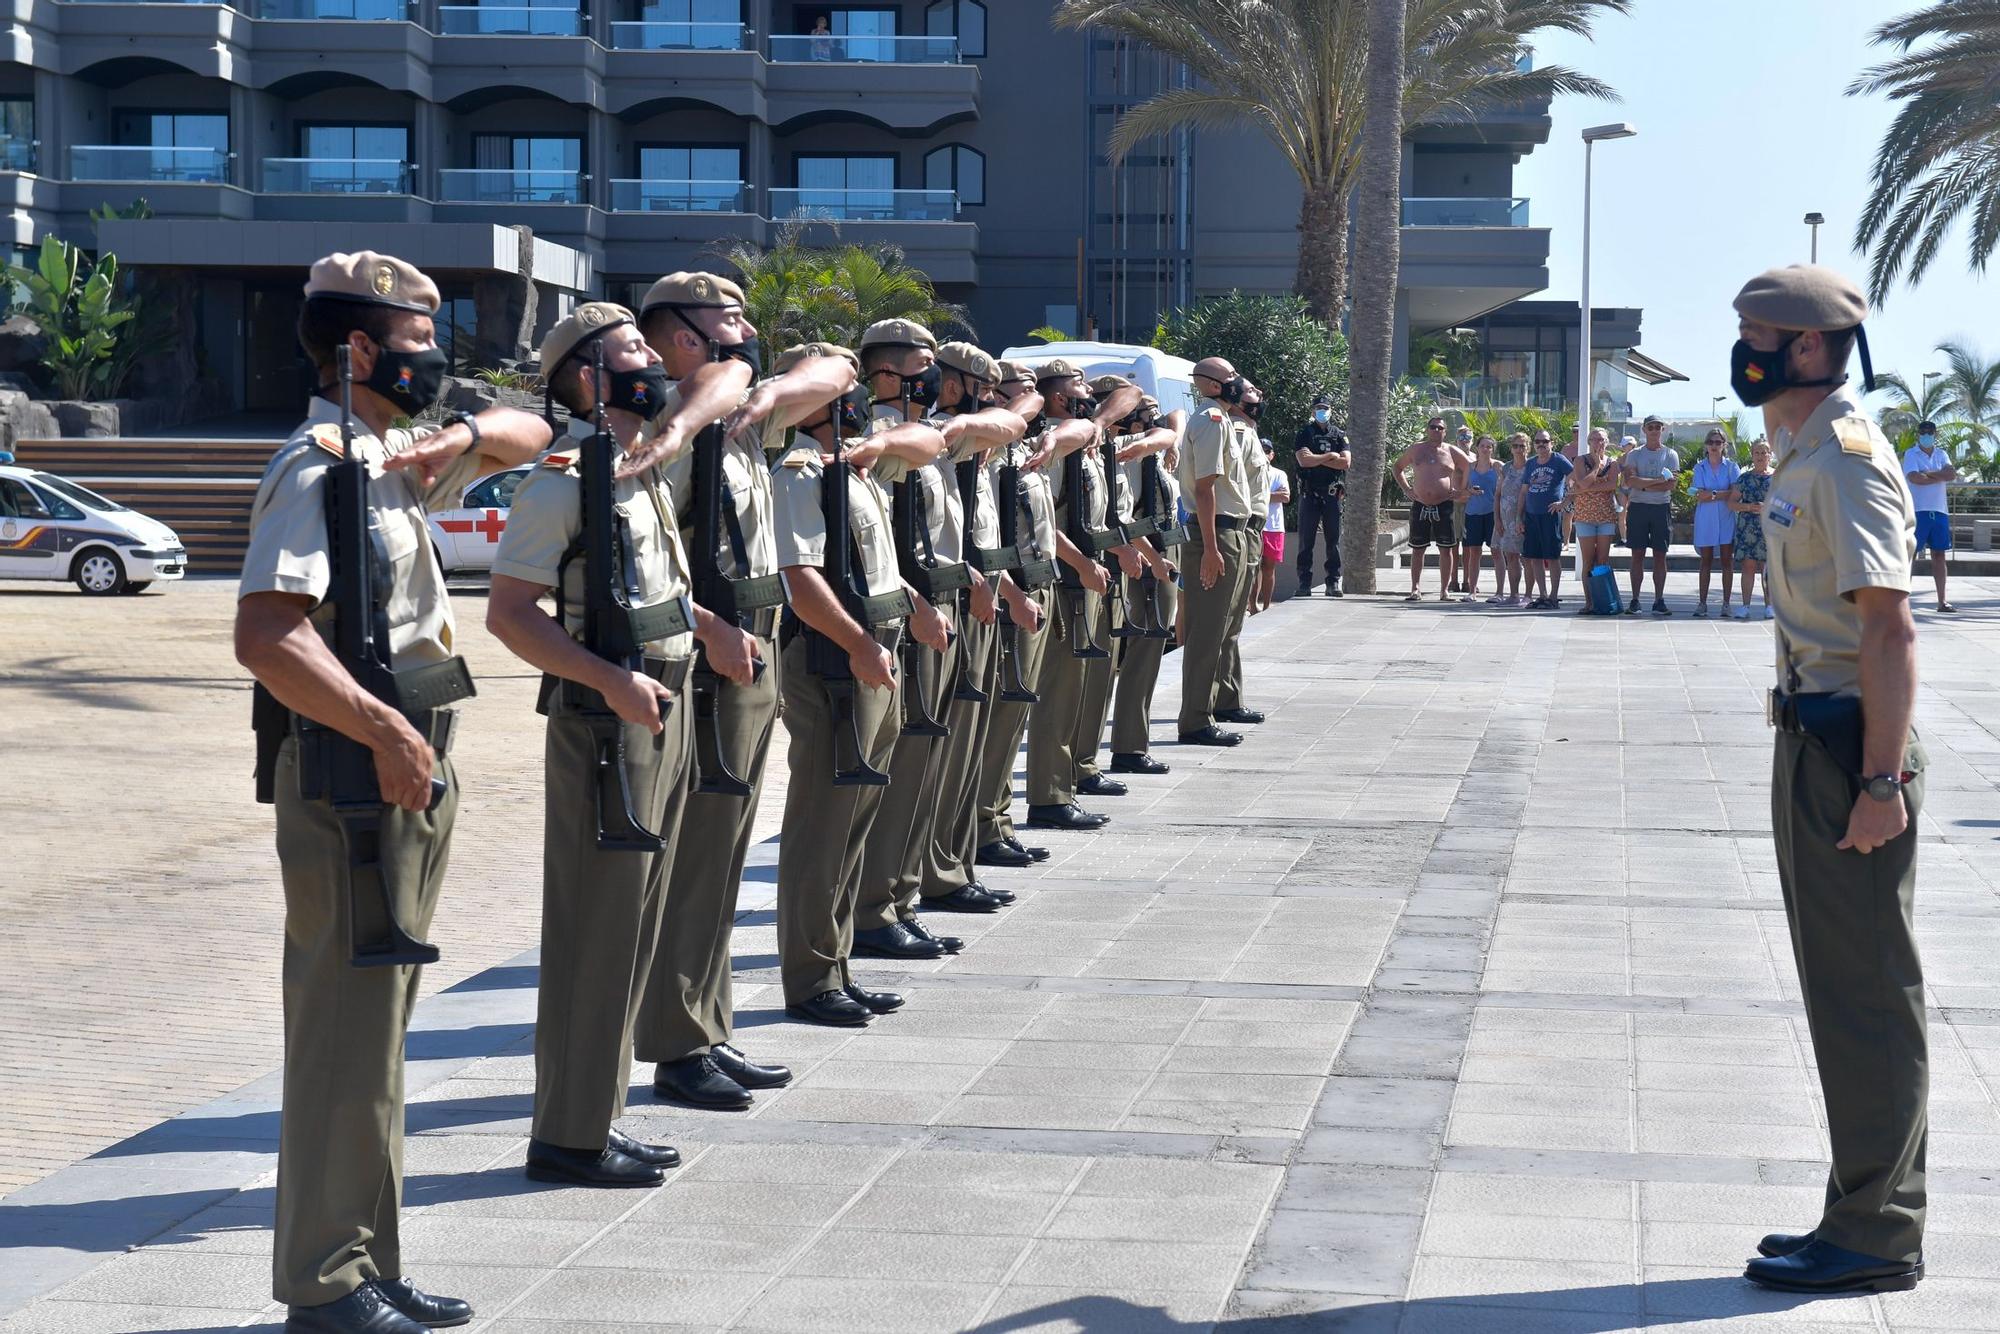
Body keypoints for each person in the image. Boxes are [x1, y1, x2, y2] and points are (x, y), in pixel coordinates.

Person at [235, 251, 552, 1334]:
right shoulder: (321, 465)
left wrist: (454, 438)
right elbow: (266, 633)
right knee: (341, 1030)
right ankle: (324, 1281)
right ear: (358, 349)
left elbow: (531, 435)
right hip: (350, 772)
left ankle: (365, 1258)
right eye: (418, 345)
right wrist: (383, 731)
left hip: (399, 761)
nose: (438, 363)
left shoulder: (386, 458)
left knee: (377, 1030)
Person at [487, 304, 760, 1190]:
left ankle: (598, 1116)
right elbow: (510, 615)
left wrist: (713, 628)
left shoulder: (640, 474)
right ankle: (567, 1134)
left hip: (662, 708)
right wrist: (606, 681)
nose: (655, 360)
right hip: (608, 725)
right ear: (587, 377)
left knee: (636, 922)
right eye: (633, 351)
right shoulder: (563, 482)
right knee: (595, 929)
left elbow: (660, 593)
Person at [1730, 264, 1927, 1297]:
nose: (1742, 348)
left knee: (1864, 996)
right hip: (1814, 738)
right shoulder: (1800, 449)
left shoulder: (1846, 460)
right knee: (1837, 989)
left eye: (1757, 332)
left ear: (1808, 348)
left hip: (1851, 745)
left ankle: (1878, 1229)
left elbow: (1886, 627)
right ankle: (1855, 1208)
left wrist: (1880, 778)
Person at [632, 271, 845, 1110]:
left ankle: (709, 1026)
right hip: (709, 662)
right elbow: (639, 556)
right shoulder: (668, 431)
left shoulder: (744, 425)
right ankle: (679, 1043)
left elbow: (839, 372)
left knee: (723, 861)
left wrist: (756, 398)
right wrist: (707, 629)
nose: (745, 329)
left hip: (753, 656)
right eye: (727, 319)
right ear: (677, 336)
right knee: (695, 863)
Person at [767, 341, 949, 1028]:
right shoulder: (797, 472)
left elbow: (877, 569)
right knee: (823, 826)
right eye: (842, 387)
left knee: (855, 824)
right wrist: (861, 645)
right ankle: (811, 979)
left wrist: (915, 609)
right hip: (831, 664)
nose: (855, 399)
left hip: (872, 655)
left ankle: (837, 964)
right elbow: (803, 582)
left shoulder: (853, 469)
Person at [1177, 356, 1257, 746]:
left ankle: (1210, 709)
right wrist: (1211, 549)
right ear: (1209, 384)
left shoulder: (1222, 419)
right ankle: (1195, 720)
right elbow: (1206, 490)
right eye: (1228, 376)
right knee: (1207, 633)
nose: (1236, 381)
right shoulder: (1209, 420)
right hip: (1217, 533)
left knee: (1223, 628)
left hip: (1232, 531)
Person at [1391, 416, 1469, 603]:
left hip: (1444, 504)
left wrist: (1461, 489)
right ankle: (1415, 589)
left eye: (1439, 428)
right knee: (1418, 549)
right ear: (1427, 430)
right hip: (1420, 504)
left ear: (1445, 431)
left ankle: (1444, 590)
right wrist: (1407, 489)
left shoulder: (1451, 451)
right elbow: (1397, 467)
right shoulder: (1417, 449)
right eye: (1432, 427)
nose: (1436, 430)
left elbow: (1468, 465)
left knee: (1446, 548)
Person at [1622, 414, 1679, 615]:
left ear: (1662, 430)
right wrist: (1656, 482)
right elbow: (1631, 482)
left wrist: (1644, 483)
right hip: (1638, 506)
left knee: (1659, 555)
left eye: (1658, 427)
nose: (1654, 430)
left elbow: (1671, 484)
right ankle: (1635, 599)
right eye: (1651, 427)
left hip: (1660, 509)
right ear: (1644, 430)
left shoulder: (1671, 454)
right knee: (1637, 554)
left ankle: (1659, 600)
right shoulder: (1634, 454)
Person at [1292, 394, 1349, 595]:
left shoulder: (1339, 435)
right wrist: (1331, 456)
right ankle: (1304, 583)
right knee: (1306, 541)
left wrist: (1317, 458)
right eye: (1318, 408)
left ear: (1331, 410)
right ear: (1312, 411)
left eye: (1325, 407)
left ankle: (1333, 582)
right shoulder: (1304, 433)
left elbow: (1345, 462)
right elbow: (1303, 461)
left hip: (1333, 494)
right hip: (1310, 493)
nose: (1322, 411)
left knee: (1333, 540)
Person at [1902, 420, 1958, 613]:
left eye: (1930, 432)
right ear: (1918, 434)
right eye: (1923, 431)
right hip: (1917, 510)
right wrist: (1938, 475)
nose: (1927, 435)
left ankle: (1942, 601)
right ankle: (1903, 602)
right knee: (1910, 555)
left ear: (1935, 434)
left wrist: (1928, 473)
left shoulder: (1942, 454)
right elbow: (1915, 478)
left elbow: (1951, 474)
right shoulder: (1911, 454)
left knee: (1939, 555)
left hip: (1939, 510)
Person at [1517, 430, 1571, 608]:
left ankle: (1554, 597)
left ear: (1551, 443)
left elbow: (1576, 482)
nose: (1541, 444)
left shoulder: (1559, 460)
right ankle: (1542, 595)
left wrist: (1564, 502)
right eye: (1538, 441)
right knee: (1534, 558)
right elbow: (1524, 492)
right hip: (1532, 516)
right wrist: (1519, 517)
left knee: (1553, 556)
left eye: (1545, 441)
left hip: (1551, 516)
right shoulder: (1531, 463)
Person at [1570, 428, 1620, 614]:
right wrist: (1597, 468)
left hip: (1606, 515)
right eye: (1595, 439)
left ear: (1607, 442)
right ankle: (1589, 602)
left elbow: (1612, 485)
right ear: (1589, 441)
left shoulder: (1613, 462)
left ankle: (1603, 600)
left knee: (1602, 560)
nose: (1598, 443)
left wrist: (1585, 488)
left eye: (1602, 440)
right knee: (1588, 562)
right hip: (1585, 516)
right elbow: (1582, 483)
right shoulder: (1580, 460)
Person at [1692, 430, 1741, 617]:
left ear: (1724, 445)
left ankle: (1726, 604)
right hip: (1705, 518)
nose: (1714, 445)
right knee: (1705, 560)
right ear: (1706, 445)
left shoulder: (1732, 467)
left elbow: (1735, 492)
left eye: (1718, 442)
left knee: (1727, 561)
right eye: (1711, 441)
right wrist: (1721, 493)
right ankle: (1702, 603)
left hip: (1726, 518)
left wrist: (1712, 494)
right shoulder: (1700, 468)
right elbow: (1699, 495)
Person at [1731, 437, 1774, 620]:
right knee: (1747, 567)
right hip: (1747, 528)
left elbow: (1789, 504)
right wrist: (1749, 507)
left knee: (1767, 569)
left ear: (1770, 456)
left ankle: (1770, 606)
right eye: (1757, 452)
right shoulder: (1744, 478)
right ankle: (1745, 606)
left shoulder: (1778, 477)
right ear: (1752, 455)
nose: (1760, 456)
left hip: (1770, 529)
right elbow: (1731, 503)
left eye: (1764, 452)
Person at [1488, 433, 1528, 607]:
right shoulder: (1506, 468)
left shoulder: (1531, 467)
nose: (1519, 449)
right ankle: (1512, 594)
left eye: (1522, 446)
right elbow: (1497, 494)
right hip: (1503, 519)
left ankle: (1525, 594)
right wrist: (1496, 518)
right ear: (1511, 448)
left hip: (1522, 519)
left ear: (1528, 447)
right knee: (1508, 555)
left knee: (1523, 557)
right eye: (1515, 446)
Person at [1461, 435, 1498, 600]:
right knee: (1474, 552)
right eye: (1483, 446)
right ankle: (1472, 591)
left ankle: (1499, 592)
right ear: (1477, 447)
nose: (1485, 449)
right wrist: (1470, 491)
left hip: (1492, 514)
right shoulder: (1470, 467)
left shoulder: (1498, 467)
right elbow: (1462, 489)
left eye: (1489, 446)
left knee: (1496, 551)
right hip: (1473, 513)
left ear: (1493, 449)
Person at [1256, 438, 1288, 612]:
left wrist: (1261, 495)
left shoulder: (1279, 474)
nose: (1264, 454)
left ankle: (1267, 606)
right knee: (1254, 568)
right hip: (1254, 526)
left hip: (1274, 528)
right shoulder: (1248, 472)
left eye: (1267, 451)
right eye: (1261, 450)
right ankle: (1252, 606)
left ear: (1272, 455)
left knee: (1269, 568)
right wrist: (1273, 495)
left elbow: (1285, 496)